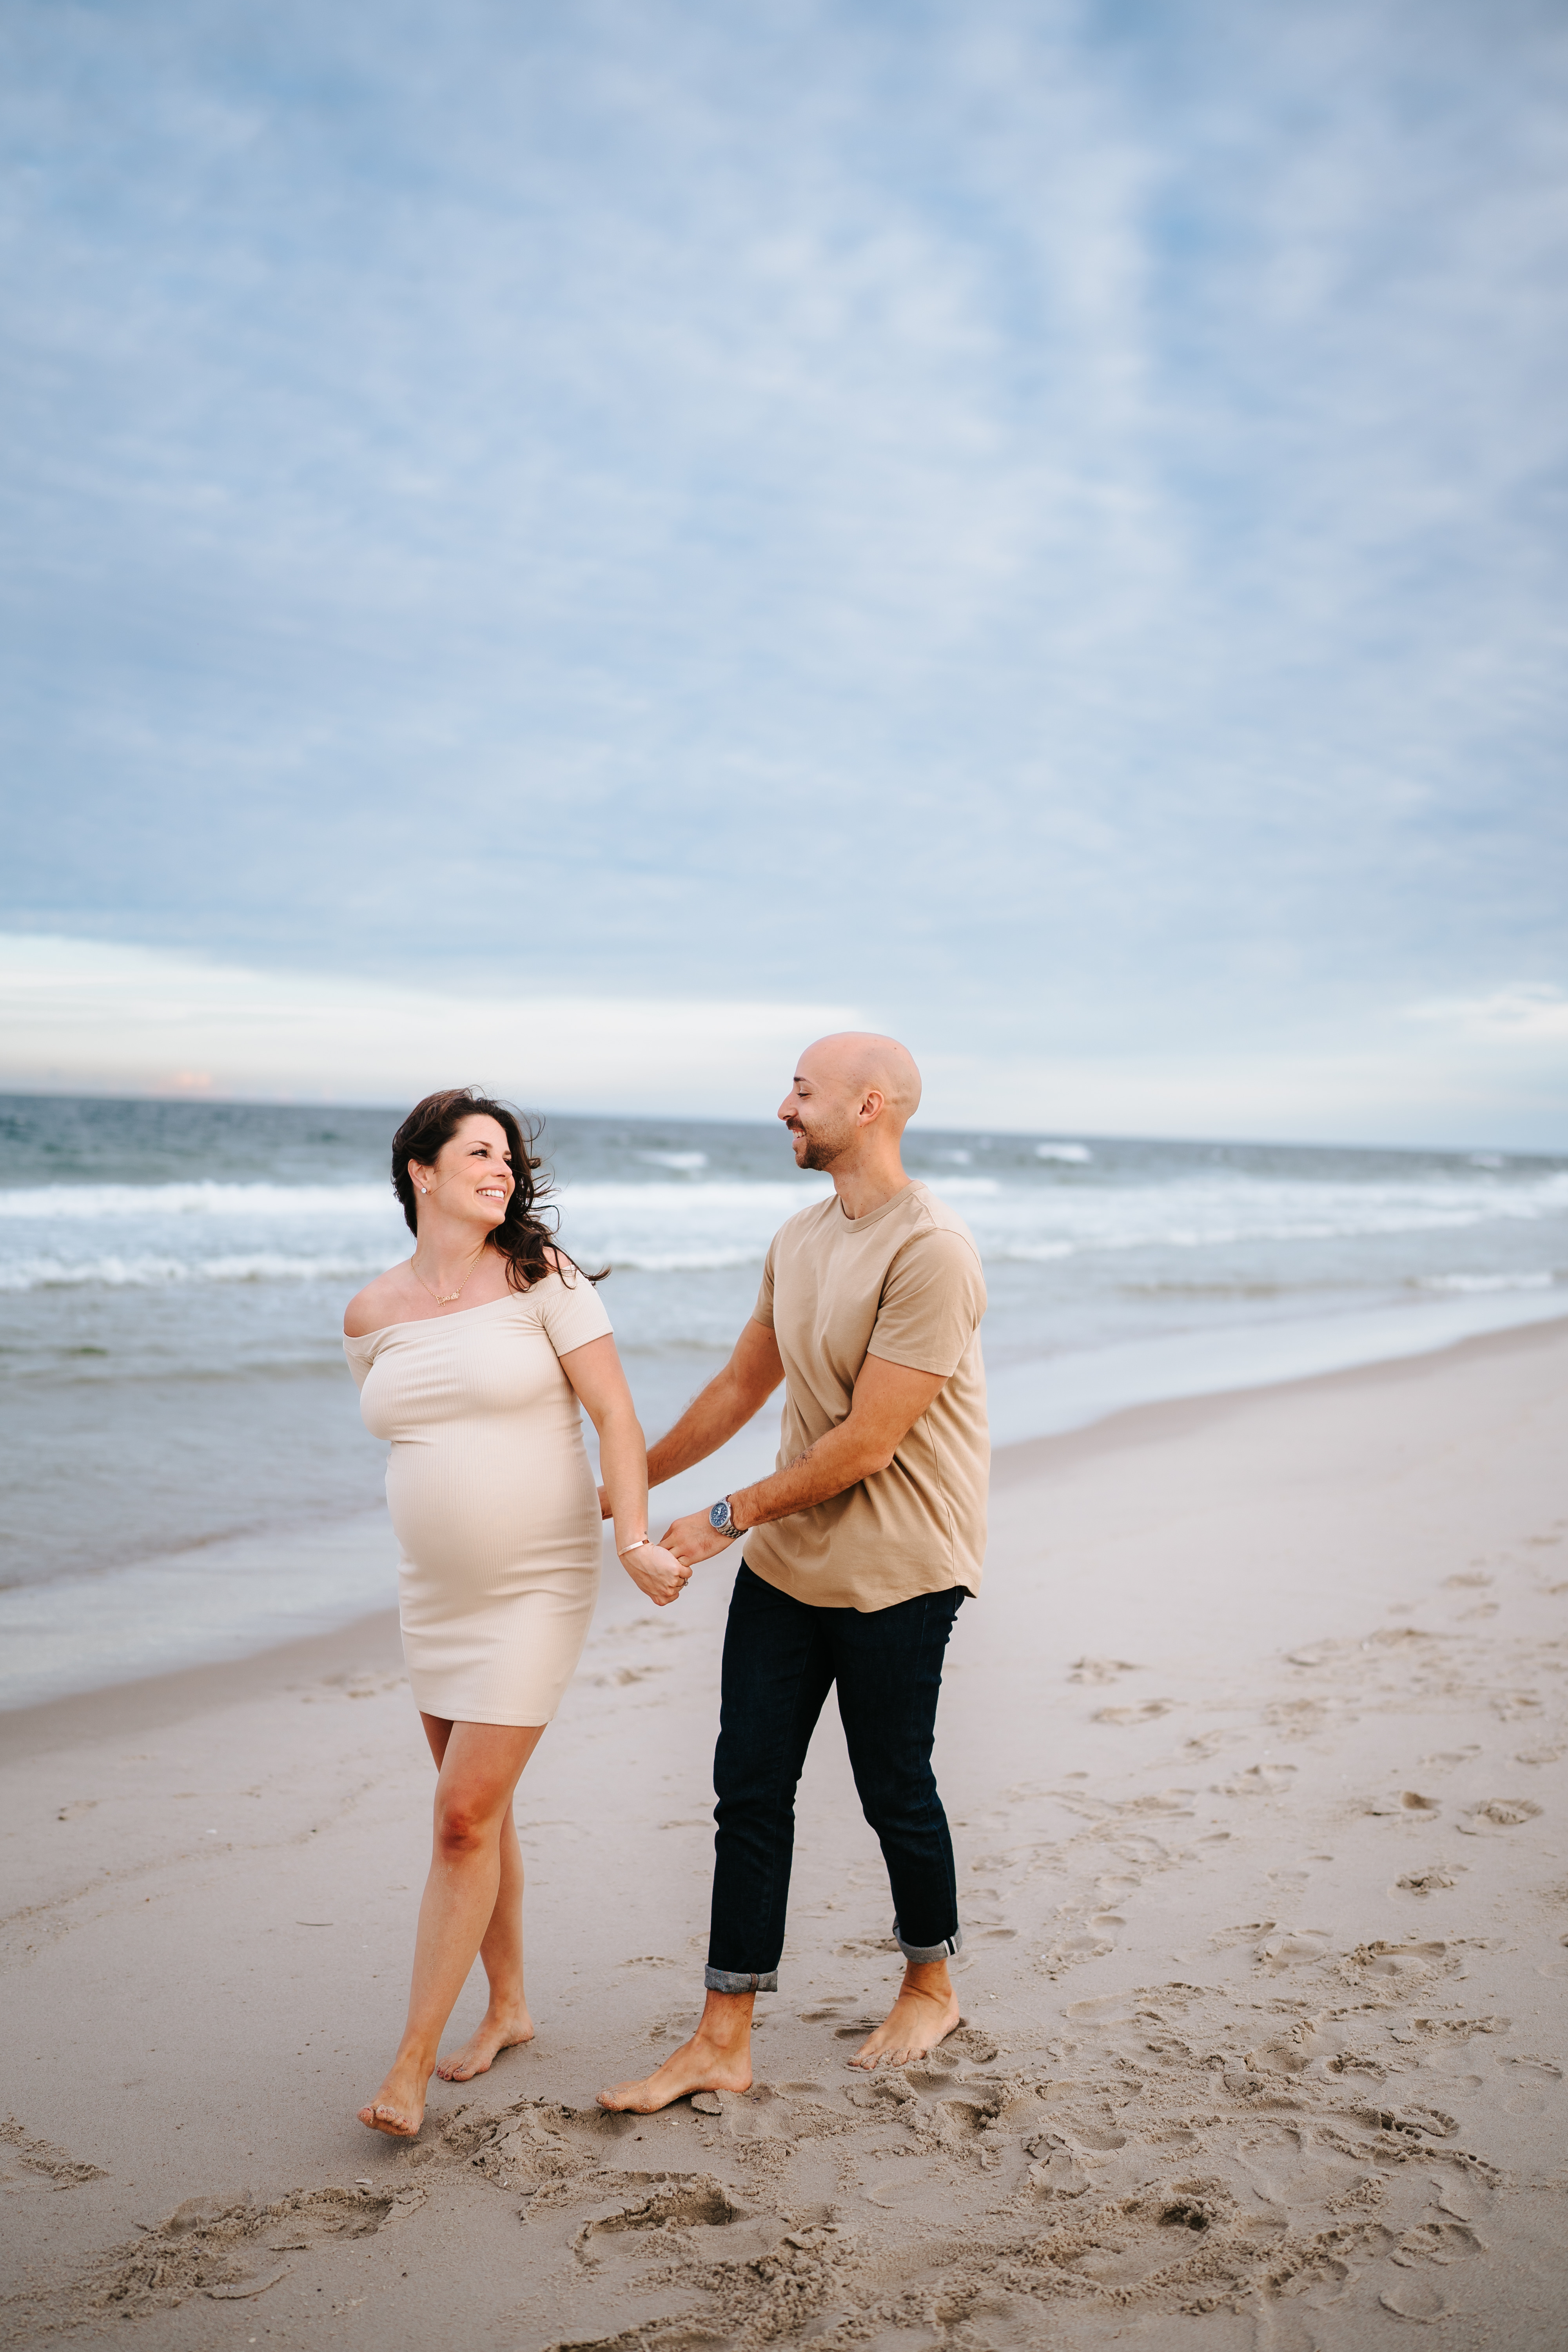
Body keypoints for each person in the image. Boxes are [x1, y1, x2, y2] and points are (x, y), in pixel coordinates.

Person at [599, 1033, 987, 2113]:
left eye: (802, 1092)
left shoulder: (934, 1249)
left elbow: (868, 1446)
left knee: (892, 1787)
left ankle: (930, 1980)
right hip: (791, 1561)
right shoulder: (802, 1236)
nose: (784, 1106)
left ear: (870, 1107)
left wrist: (723, 1517)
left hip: (901, 1566)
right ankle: (723, 2037)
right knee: (750, 1792)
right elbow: (739, 1387)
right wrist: (619, 1487)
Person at [343, 1087, 688, 2138]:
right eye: (479, 1153)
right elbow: (411, 1431)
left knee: (458, 1820)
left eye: (509, 1156)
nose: (501, 1168)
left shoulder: (543, 1275)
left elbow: (617, 1415)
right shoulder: (369, 1313)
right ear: (422, 1172)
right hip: (433, 1594)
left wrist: (633, 1536)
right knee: (478, 1814)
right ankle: (512, 2008)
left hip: (537, 1581)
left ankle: (408, 2068)